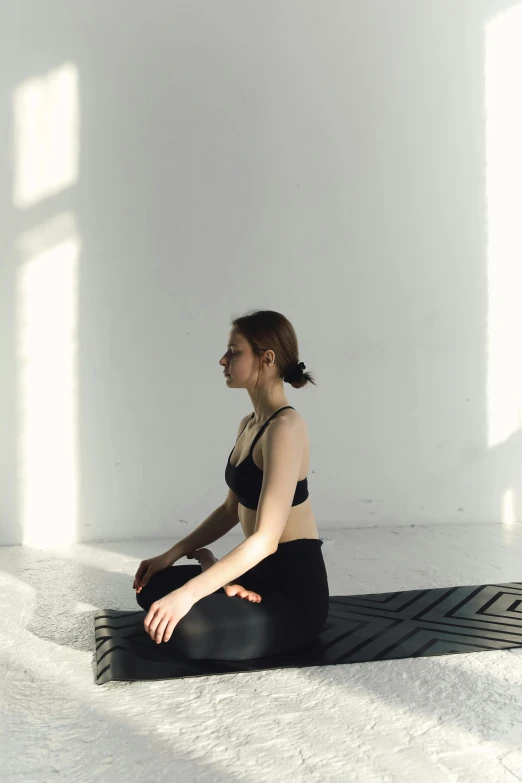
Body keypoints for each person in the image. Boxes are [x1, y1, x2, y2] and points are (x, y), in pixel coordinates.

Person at [134, 309, 330, 661]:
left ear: (267, 359)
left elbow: (266, 541)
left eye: (234, 352)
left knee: (184, 628)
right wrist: (171, 555)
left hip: (293, 593)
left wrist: (189, 593)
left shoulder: (286, 428)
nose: (223, 360)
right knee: (153, 586)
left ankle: (219, 580)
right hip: (256, 575)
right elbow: (230, 509)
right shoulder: (249, 424)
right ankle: (224, 581)